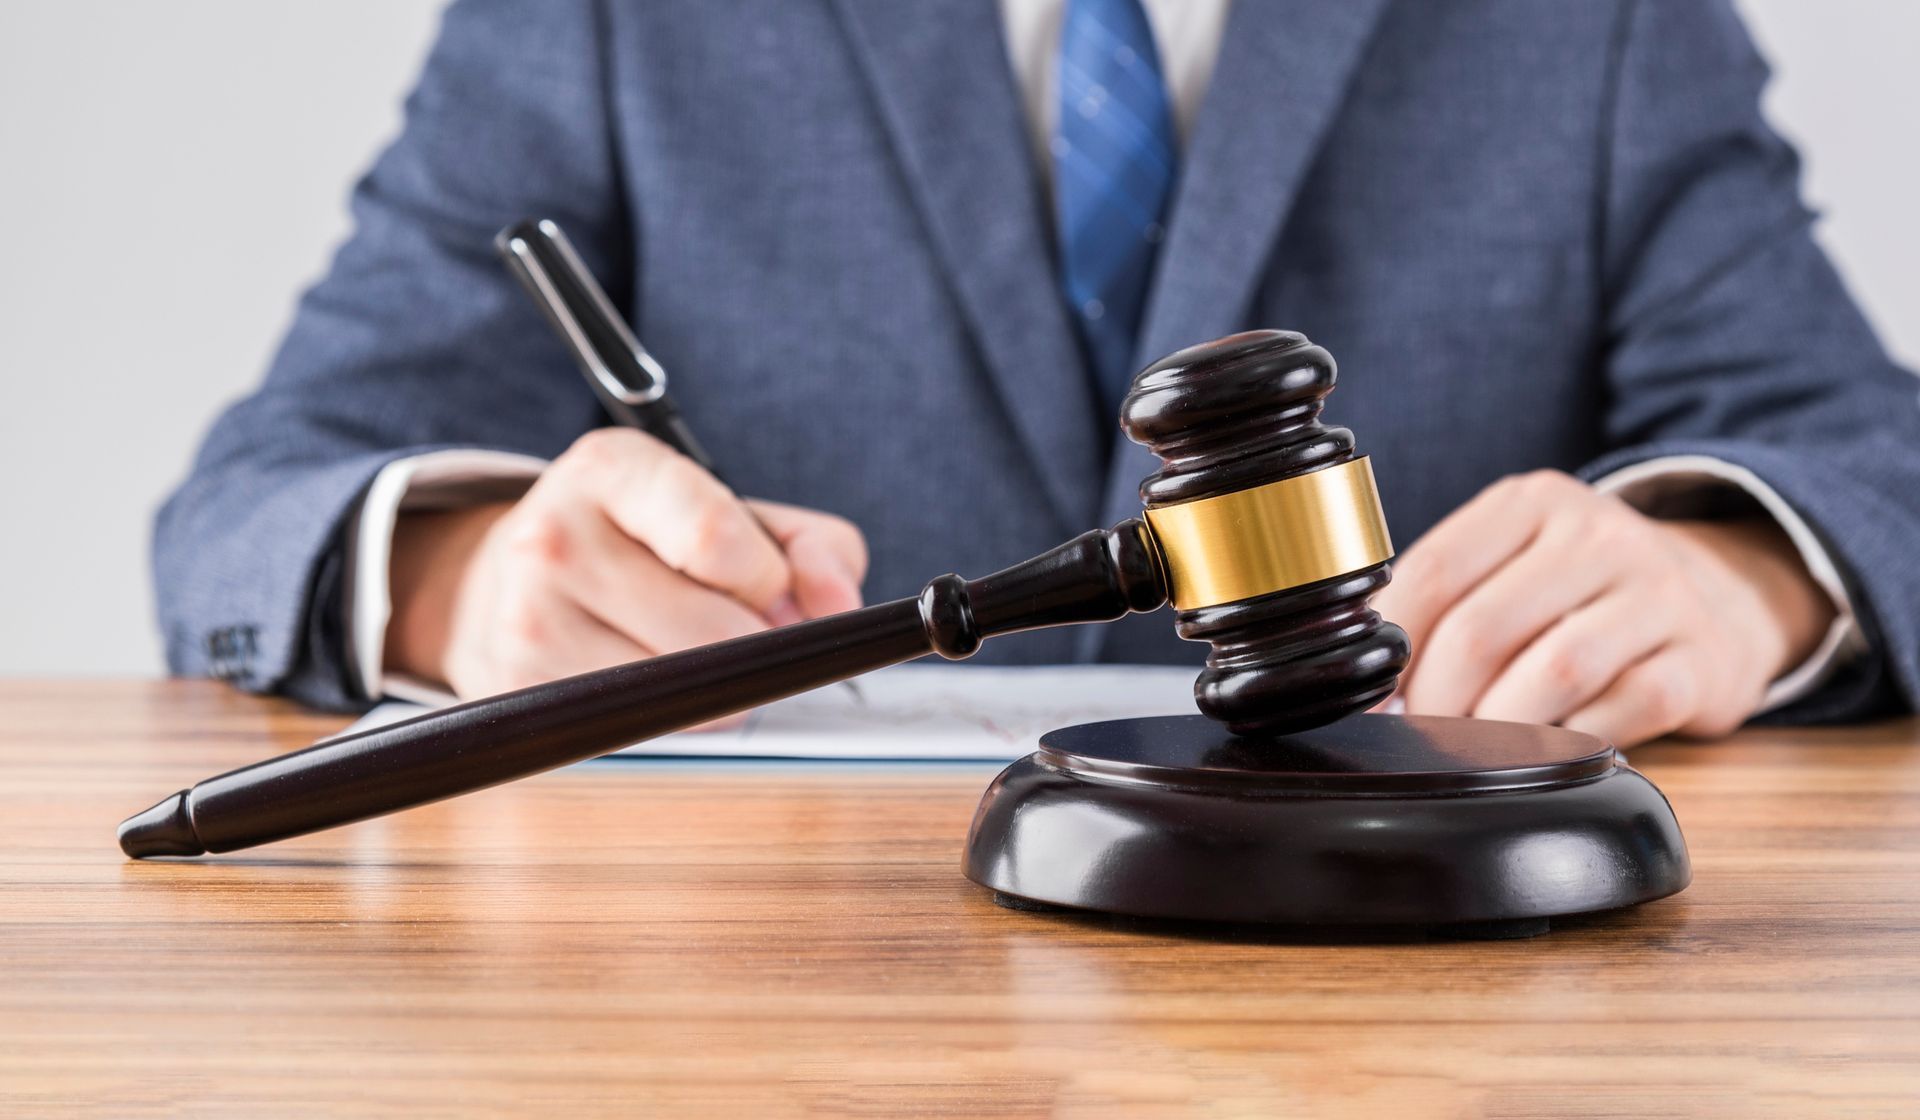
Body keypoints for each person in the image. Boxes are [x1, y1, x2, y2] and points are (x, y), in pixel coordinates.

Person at [155, 0, 1920, 747]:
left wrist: (1733, 571)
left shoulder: (1596, 23)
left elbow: (1866, 453)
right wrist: (472, 581)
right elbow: (249, 502)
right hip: (785, 1002)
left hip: (1416, 1001)